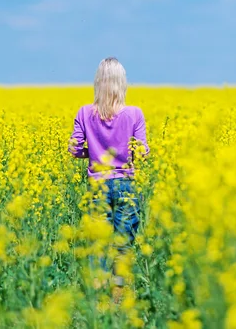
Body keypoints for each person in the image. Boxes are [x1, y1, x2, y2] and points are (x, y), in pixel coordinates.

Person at [68, 57, 149, 296]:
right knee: (123, 245)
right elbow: (141, 152)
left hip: (97, 187)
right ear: (121, 84)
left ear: (98, 83)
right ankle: (118, 298)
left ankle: (98, 301)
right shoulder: (134, 114)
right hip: (126, 184)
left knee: (99, 245)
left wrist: (92, 151)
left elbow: (74, 149)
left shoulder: (84, 113)